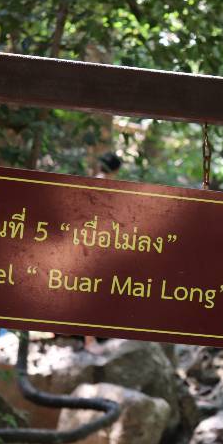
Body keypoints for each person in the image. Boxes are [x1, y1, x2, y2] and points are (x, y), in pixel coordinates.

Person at [83, 152, 123, 354]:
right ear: (115, 170)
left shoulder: (95, 182)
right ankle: (89, 340)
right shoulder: (104, 185)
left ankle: (94, 336)